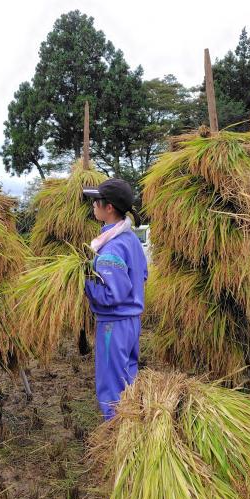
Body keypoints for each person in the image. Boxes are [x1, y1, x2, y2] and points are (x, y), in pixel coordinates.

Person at [82, 179, 148, 419]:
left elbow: (112, 295)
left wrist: (85, 281)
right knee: (128, 377)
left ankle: (115, 436)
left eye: (96, 202)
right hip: (131, 323)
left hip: (114, 325)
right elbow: (142, 276)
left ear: (109, 208)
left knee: (112, 385)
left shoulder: (112, 248)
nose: (93, 206)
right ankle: (132, 428)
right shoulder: (131, 240)